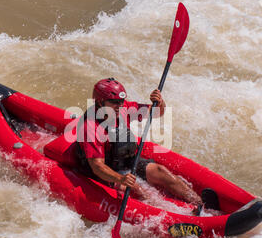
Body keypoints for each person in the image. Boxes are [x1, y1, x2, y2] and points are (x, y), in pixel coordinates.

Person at [75, 78, 202, 206]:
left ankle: (199, 204)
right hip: (105, 169)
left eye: (121, 101)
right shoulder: (90, 127)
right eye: (114, 102)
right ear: (100, 102)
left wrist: (160, 102)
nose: (119, 105)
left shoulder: (124, 108)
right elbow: (97, 167)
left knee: (160, 171)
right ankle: (168, 212)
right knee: (136, 189)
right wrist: (121, 178)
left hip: (124, 160)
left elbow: (157, 112)